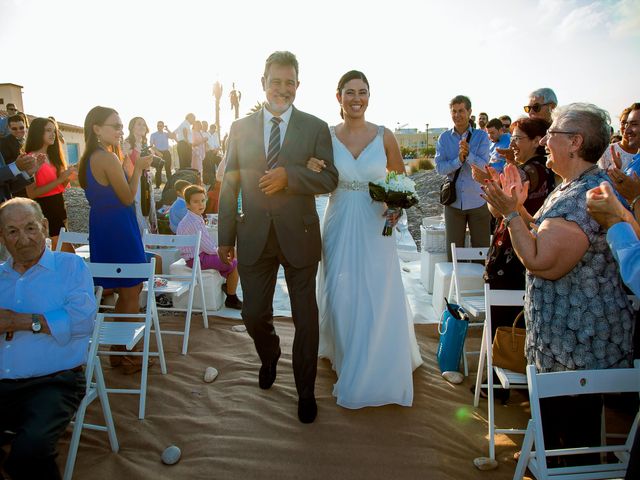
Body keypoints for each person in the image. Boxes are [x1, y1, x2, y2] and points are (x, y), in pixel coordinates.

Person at [481, 103, 634, 467]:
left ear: (575, 143)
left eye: (554, 134)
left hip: (579, 343)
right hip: (565, 341)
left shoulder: (586, 194)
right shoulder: (574, 186)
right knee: (561, 430)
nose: (547, 139)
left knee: (574, 445)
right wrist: (515, 208)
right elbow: (543, 231)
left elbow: (541, 261)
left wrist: (508, 215)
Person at [217, 51, 338, 424]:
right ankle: (269, 356)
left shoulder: (315, 127)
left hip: (299, 236)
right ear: (263, 83)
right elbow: (230, 184)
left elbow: (329, 177)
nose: (282, 89)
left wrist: (291, 175)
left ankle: (305, 391)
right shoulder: (239, 129)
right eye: (275, 81)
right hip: (253, 235)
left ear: (298, 85)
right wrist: (225, 235)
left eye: (289, 82)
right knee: (254, 314)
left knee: (306, 317)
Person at [307, 70, 422, 409]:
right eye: (350, 92)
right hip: (339, 217)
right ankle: (346, 354)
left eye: (363, 92)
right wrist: (312, 167)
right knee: (339, 288)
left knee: (377, 287)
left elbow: (399, 179)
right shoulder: (325, 136)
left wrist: (397, 206)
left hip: (376, 222)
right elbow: (320, 177)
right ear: (338, 96)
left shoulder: (385, 136)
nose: (357, 98)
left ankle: (375, 357)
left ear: (369, 97)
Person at [0, 197, 96, 479]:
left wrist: (19, 321)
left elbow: (82, 320)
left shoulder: (69, 267)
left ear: (44, 226)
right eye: (12, 231)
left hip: (54, 381)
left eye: (30, 228)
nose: (23, 239)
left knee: (31, 449)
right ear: (2, 237)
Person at [78, 106, 153, 373]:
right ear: (97, 129)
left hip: (104, 227)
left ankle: (118, 354)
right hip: (119, 229)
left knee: (126, 291)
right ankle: (123, 354)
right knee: (131, 291)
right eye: (115, 126)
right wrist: (138, 169)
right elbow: (126, 197)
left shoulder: (89, 157)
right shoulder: (106, 158)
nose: (121, 131)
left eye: (122, 126)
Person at [473, 117, 553, 337]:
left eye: (517, 138)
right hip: (530, 246)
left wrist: (490, 183)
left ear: (537, 141)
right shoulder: (544, 169)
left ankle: (500, 366)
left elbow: (497, 211)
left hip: (516, 251)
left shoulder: (527, 172)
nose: (512, 144)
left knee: (504, 326)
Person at [435, 94, 492, 261]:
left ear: (469, 112)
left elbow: (483, 165)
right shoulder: (444, 138)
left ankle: (481, 286)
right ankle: (456, 286)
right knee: (453, 253)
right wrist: (458, 160)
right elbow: (440, 168)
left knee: (482, 252)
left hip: (478, 200)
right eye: (454, 111)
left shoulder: (481, 136)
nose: (457, 115)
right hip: (453, 203)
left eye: (461, 111)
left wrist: (468, 155)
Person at [177, 185, 242, 309]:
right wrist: (221, 251)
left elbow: (207, 244)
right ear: (187, 204)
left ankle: (229, 287)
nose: (201, 204)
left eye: (203, 200)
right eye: (195, 202)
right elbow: (209, 248)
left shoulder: (193, 218)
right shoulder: (194, 222)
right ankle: (231, 297)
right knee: (235, 261)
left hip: (197, 256)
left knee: (232, 253)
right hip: (197, 259)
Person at [24, 117, 77, 252]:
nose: (52, 134)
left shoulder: (53, 156)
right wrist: (60, 180)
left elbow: (59, 187)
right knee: (67, 251)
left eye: (54, 131)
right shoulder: (30, 158)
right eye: (48, 130)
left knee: (59, 250)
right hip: (44, 206)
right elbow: (32, 193)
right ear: (37, 132)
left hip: (59, 204)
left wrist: (67, 177)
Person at [123, 117, 158, 235]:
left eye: (144, 124)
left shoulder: (145, 144)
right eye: (139, 124)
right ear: (132, 127)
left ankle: (152, 239)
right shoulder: (127, 144)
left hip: (146, 179)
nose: (142, 126)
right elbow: (124, 163)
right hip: (135, 181)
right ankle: (142, 238)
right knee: (139, 209)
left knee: (150, 208)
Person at [150, 120, 173, 188]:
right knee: (158, 170)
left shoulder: (166, 134)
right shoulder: (153, 135)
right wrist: (157, 152)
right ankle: (157, 185)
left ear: (163, 126)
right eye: (158, 126)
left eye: (160, 126)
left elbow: (172, 136)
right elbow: (151, 145)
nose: (159, 127)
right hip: (158, 152)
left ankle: (170, 184)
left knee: (168, 169)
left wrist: (168, 129)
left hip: (166, 152)